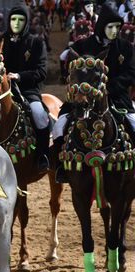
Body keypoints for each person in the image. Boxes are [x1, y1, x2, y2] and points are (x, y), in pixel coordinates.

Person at [53, 3, 135, 182]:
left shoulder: (126, 47)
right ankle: (59, 166)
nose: (115, 31)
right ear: (101, 27)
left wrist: (109, 88)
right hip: (82, 98)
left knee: (134, 123)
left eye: (118, 27)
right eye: (110, 27)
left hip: (117, 97)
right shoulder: (82, 45)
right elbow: (71, 70)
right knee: (59, 125)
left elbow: (130, 73)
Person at [0, 1, 50, 173]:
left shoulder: (36, 42)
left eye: (21, 20)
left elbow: (41, 71)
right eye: (13, 19)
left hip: (27, 90)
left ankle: (42, 156)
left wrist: (19, 76)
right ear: (8, 21)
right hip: (0, 91)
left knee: (40, 115)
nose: (16, 23)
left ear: (26, 22)